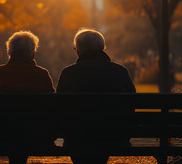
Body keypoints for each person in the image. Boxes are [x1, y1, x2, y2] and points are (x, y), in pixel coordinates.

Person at [57, 28, 136, 164]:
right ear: (102, 48)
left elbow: (58, 107)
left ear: (78, 50)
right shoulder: (120, 72)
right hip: (114, 138)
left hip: (77, 139)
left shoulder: (68, 74)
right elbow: (132, 104)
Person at [0, 31, 54, 164]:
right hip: (37, 137)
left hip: (0, 136)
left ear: (9, 52)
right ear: (33, 53)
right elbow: (52, 105)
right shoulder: (42, 75)